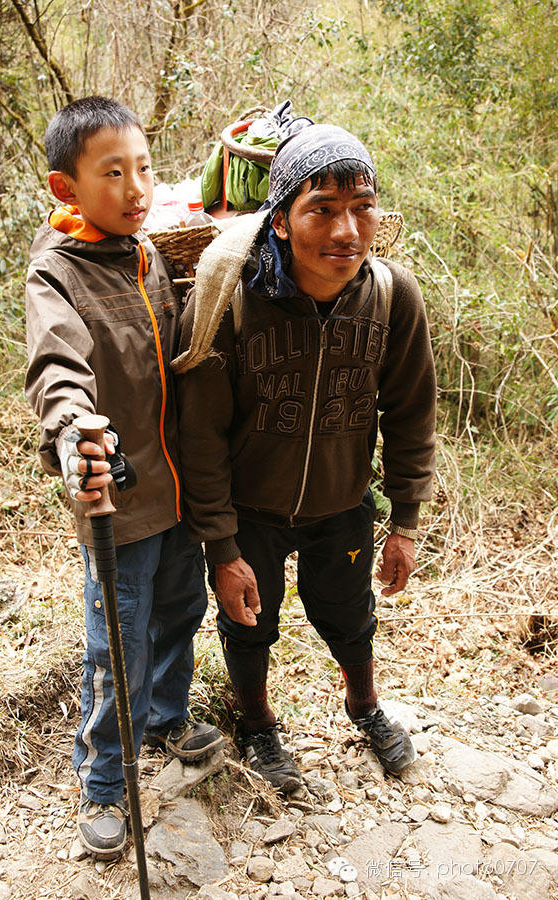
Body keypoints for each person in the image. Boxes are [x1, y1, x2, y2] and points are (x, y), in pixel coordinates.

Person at [173, 124, 436, 793]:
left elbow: (410, 414)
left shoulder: (392, 297)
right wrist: (221, 546)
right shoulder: (230, 300)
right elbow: (199, 434)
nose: (346, 229)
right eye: (322, 209)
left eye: (362, 207)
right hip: (250, 512)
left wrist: (405, 520)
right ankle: (257, 722)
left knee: (349, 612)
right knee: (248, 624)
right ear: (283, 221)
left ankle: (363, 704)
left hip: (343, 505)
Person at [25, 96, 223, 858]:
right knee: (118, 642)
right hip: (120, 496)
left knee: (181, 608)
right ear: (65, 188)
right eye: (113, 172)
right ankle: (105, 781)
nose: (136, 186)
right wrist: (76, 433)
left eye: (143, 166)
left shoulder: (149, 256)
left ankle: (167, 716)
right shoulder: (59, 273)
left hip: (180, 494)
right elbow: (57, 367)